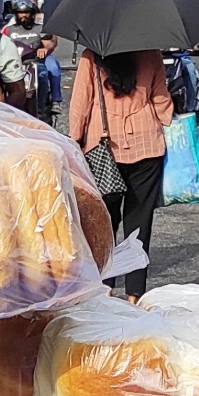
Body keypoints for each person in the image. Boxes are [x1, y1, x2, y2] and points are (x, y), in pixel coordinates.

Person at [68, 48, 173, 302]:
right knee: (140, 224)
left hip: (103, 151)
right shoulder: (151, 53)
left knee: (104, 225)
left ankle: (105, 290)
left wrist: (73, 143)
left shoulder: (91, 57)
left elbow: (80, 106)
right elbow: (161, 103)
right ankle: (135, 295)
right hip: (147, 148)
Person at [3, 0, 57, 119]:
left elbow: (49, 43)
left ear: (32, 14)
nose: (23, 15)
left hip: (34, 63)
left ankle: (41, 108)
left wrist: (45, 49)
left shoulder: (39, 28)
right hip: (15, 65)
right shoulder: (8, 30)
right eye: (20, 13)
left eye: (26, 12)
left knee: (42, 74)